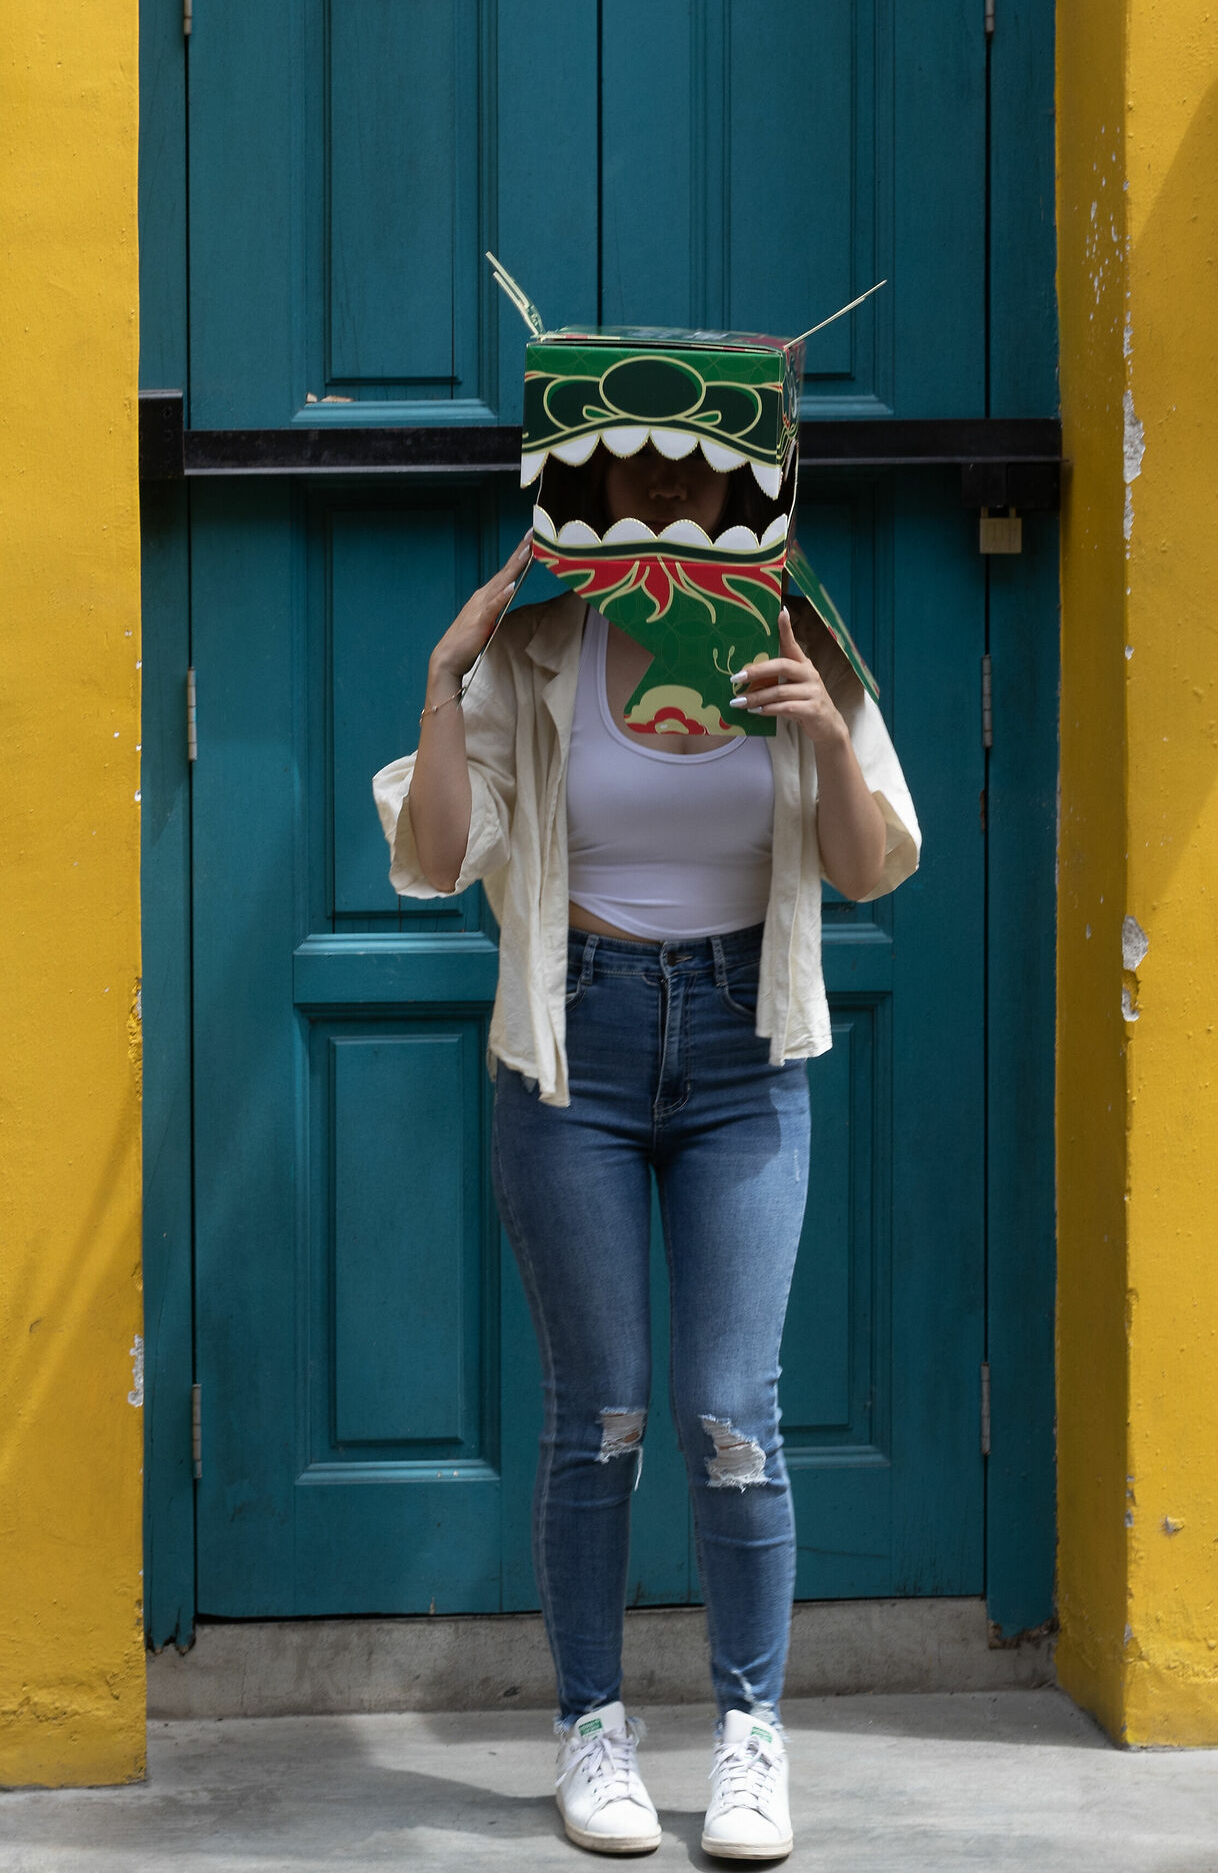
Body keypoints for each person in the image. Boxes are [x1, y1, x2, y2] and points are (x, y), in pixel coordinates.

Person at [374, 428, 918, 1864]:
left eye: (702, 472)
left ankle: (752, 1735)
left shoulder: (796, 630)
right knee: (601, 1410)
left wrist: (818, 727)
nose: (671, 493)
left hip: (748, 1049)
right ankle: (591, 1727)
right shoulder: (544, 640)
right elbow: (437, 859)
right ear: (592, 487)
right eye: (639, 470)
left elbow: (867, 872)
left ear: (747, 488)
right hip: (579, 1049)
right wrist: (445, 682)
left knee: (735, 1410)